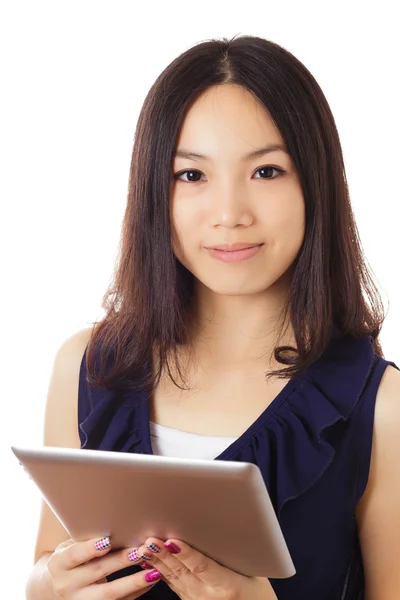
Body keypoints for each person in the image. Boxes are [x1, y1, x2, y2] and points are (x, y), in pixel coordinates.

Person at [25, 34, 400, 600]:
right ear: (154, 190)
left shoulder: (383, 408)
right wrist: (45, 588)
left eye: (267, 172)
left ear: (315, 185)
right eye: (191, 175)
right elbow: (48, 565)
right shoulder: (87, 366)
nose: (229, 215)